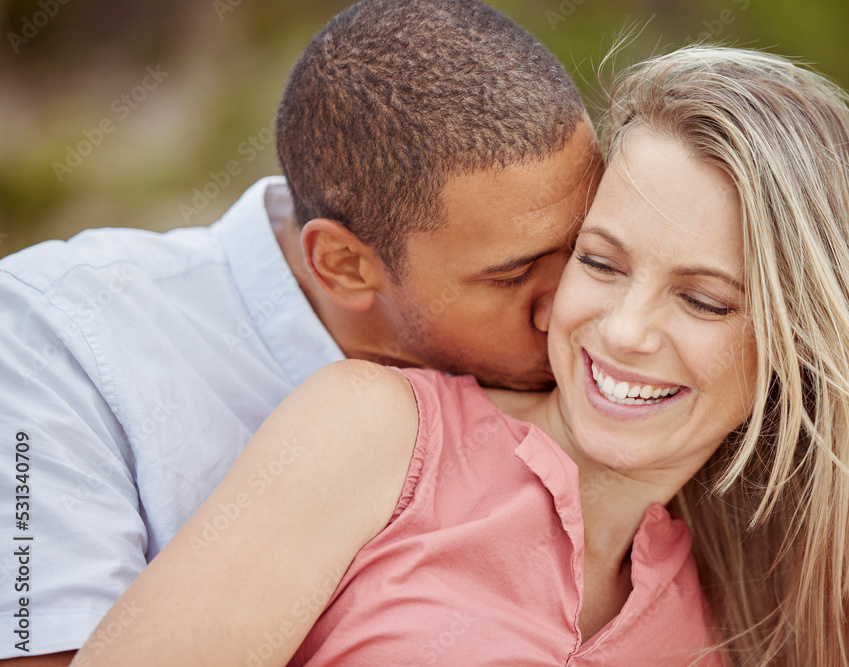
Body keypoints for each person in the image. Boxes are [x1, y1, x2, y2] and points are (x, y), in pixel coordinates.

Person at [71, 46, 849, 666]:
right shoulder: (378, 434)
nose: (623, 330)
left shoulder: (765, 603)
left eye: (703, 299)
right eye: (600, 261)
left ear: (797, 341)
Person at [0, 1, 603, 663]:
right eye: (514, 277)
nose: (573, 309)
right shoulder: (53, 335)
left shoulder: (611, 359)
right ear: (344, 265)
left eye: (587, 252)